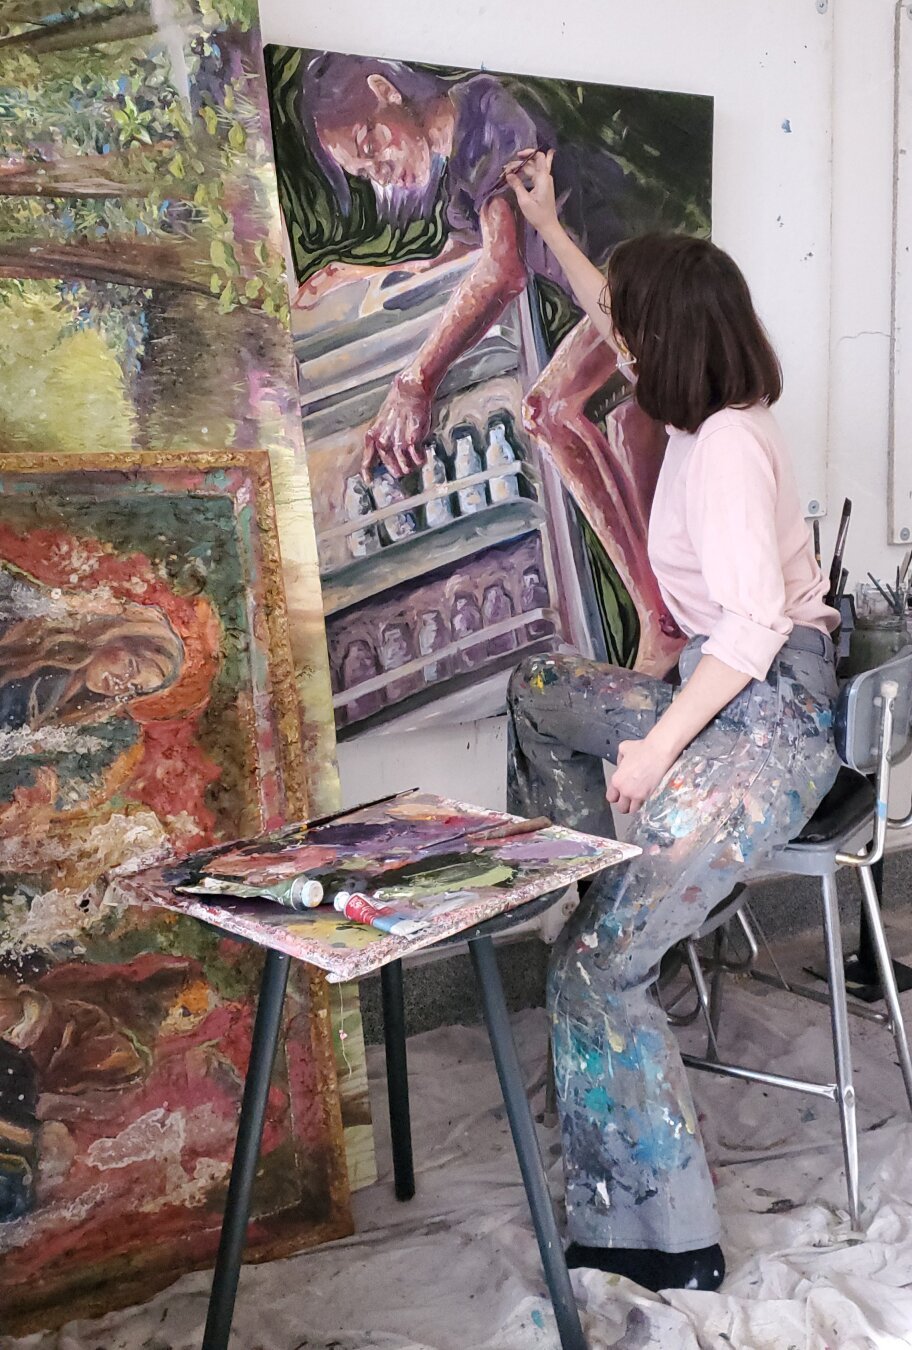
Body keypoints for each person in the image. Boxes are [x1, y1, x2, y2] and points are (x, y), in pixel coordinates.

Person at [505, 151, 841, 1292]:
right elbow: (612, 302)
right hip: (720, 685)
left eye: (636, 339)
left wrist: (655, 745)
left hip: (771, 720)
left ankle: (665, 1244)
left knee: (600, 975)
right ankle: (592, 882)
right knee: (543, 689)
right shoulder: (699, 412)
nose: (619, 353)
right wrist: (548, 225)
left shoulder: (730, 450)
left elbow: (750, 634)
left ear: (676, 343)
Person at [297, 54, 686, 673]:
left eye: (371, 143)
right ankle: (667, 618)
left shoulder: (487, 109)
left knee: (549, 410)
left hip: (641, 283)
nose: (381, 167)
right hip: (612, 295)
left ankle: (658, 621)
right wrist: (365, 273)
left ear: (383, 90)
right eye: (364, 168)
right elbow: (459, 262)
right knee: (624, 433)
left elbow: (501, 268)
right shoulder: (461, 171)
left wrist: (414, 382)